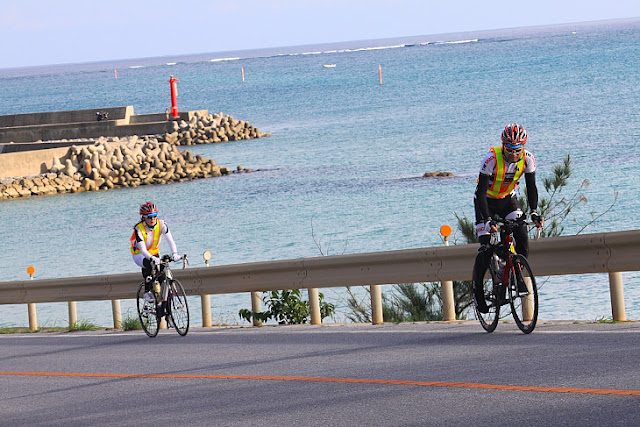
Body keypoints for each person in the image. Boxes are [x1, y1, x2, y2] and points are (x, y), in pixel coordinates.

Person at [473, 123, 543, 313]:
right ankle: (478, 292)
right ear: (503, 146)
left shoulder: (528, 159)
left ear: (523, 147)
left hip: (507, 200)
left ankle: (515, 272)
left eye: (517, 150)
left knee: (521, 233)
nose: (513, 154)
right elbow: (480, 193)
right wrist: (487, 219)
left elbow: (531, 187)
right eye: (509, 150)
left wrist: (534, 211)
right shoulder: (491, 159)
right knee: (486, 247)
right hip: (485, 201)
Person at [130, 202, 181, 304]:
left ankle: (166, 310)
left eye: (154, 216)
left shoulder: (162, 224)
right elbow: (143, 250)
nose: (152, 219)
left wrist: (175, 253)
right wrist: (152, 259)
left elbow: (170, 240)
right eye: (149, 217)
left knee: (163, 272)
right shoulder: (138, 228)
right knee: (149, 265)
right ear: (144, 217)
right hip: (140, 254)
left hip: (154, 253)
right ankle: (147, 291)